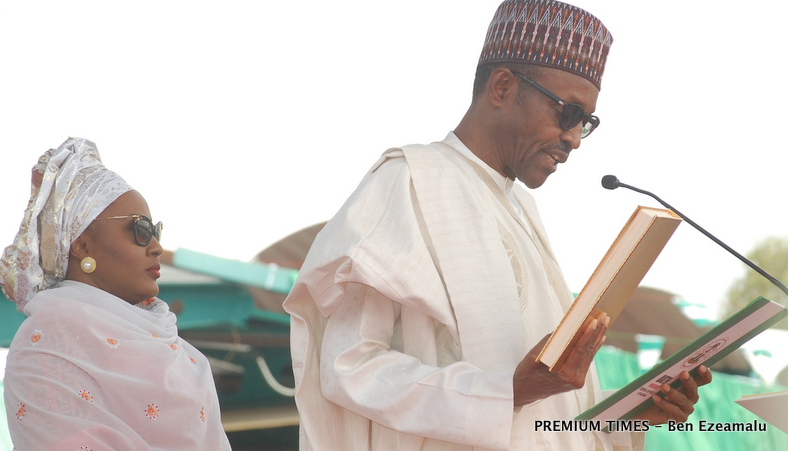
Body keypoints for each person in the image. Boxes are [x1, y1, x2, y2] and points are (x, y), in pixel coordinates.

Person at [283, 1, 712, 450]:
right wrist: (509, 391)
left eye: (586, 124)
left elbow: (544, 415)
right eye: (567, 114)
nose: (573, 139)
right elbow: (349, 366)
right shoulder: (410, 179)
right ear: (503, 87)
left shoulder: (523, 210)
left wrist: (632, 411)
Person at [0, 138, 232, 450]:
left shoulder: (178, 352)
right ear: (82, 245)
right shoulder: (47, 347)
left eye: (155, 231)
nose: (157, 247)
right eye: (140, 229)